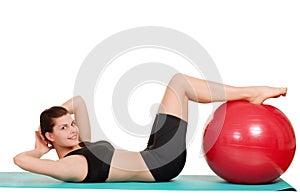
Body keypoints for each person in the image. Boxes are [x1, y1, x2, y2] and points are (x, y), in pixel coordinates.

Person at [13, 73, 287, 183]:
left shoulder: (81, 145)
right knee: (181, 84)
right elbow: (20, 160)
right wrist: (40, 148)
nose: (73, 130)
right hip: (161, 164)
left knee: (178, 83)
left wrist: (56, 116)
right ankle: (251, 92)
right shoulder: (71, 167)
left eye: (70, 124)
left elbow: (79, 103)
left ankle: (249, 93)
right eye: (63, 129)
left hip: (153, 152)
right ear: (49, 136)